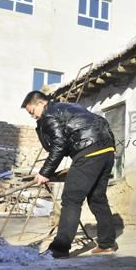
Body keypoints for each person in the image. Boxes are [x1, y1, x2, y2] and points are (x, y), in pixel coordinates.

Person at [21, 90, 118, 258]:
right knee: (97, 199)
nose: (33, 116)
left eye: (32, 112)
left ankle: (59, 249)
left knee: (71, 199)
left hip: (88, 151)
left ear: (41, 103)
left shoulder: (50, 114)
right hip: (107, 150)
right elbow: (98, 121)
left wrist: (45, 173)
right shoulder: (71, 107)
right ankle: (107, 244)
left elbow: (59, 144)